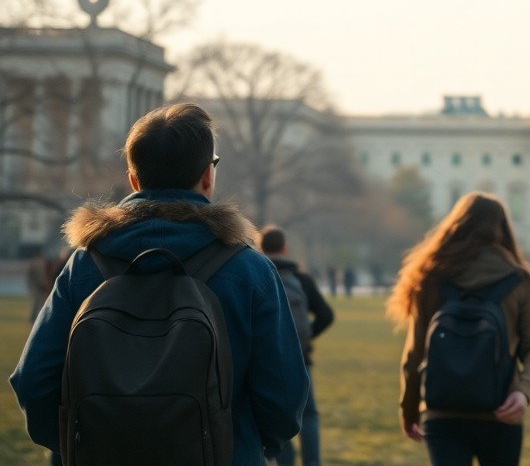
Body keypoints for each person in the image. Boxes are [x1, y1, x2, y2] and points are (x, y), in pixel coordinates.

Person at [10, 102, 309, 466]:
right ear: (207, 177)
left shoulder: (86, 264)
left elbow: (34, 381)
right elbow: (284, 393)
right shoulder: (248, 269)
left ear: (134, 179)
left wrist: (75, 444)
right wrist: (248, 445)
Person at [388, 192, 530, 466]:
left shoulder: (431, 277)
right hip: (501, 408)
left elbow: (415, 352)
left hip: (442, 409)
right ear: (501, 229)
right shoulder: (518, 280)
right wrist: (522, 391)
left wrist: (409, 409)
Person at [259, 225, 335, 466]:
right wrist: (307, 336)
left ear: (262, 248)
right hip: (301, 357)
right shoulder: (301, 279)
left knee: (277, 414)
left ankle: (285, 461)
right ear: (285, 248)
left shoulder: (260, 275)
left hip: (268, 360)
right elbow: (326, 314)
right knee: (308, 415)